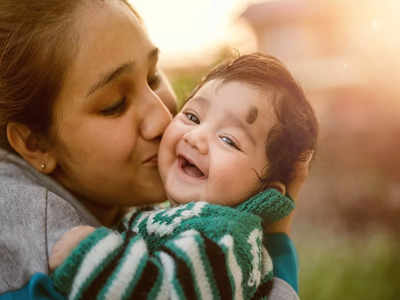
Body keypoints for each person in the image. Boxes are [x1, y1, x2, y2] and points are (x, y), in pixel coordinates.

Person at [0, 0, 310, 299]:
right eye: (114, 105)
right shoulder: (27, 258)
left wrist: (274, 237)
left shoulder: (125, 204)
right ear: (34, 143)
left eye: (153, 76)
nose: (163, 118)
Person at [47, 53, 318, 300]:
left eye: (228, 140)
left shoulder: (228, 241)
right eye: (192, 116)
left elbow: (161, 292)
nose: (196, 137)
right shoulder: (168, 214)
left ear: (267, 193)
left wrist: (89, 254)